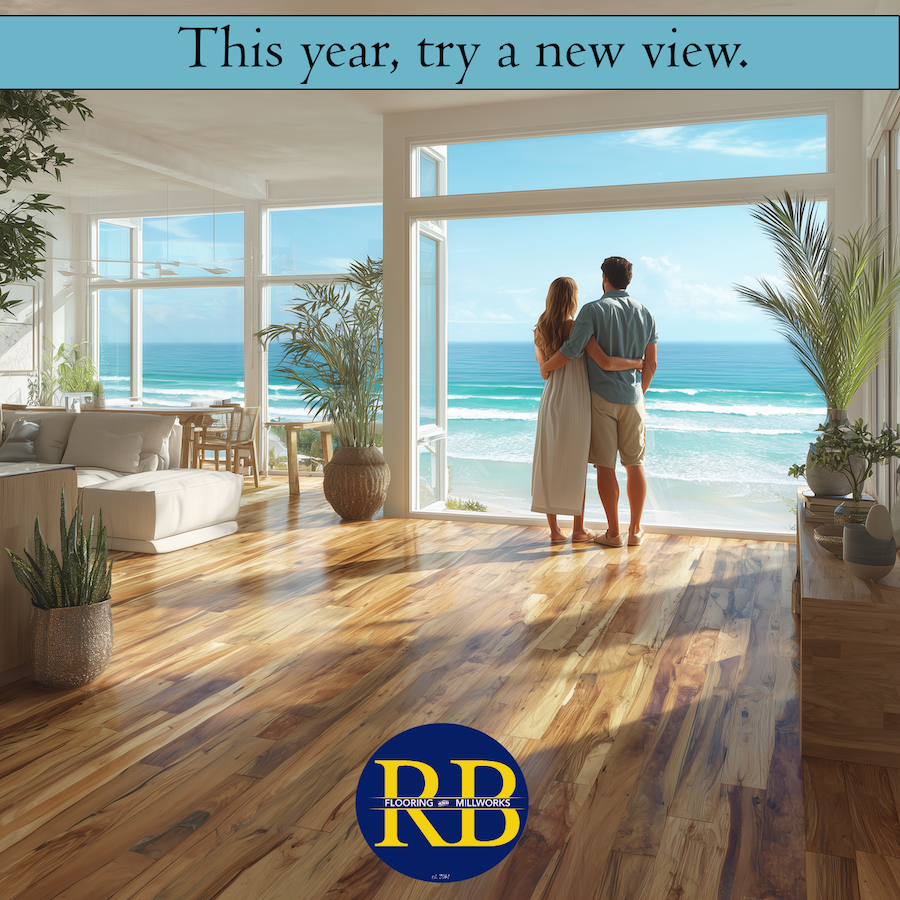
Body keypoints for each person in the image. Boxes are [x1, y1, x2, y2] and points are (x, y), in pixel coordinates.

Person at [541, 257, 658, 547]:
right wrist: (638, 392)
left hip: (600, 400)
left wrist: (547, 367)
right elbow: (651, 364)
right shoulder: (646, 313)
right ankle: (635, 531)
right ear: (628, 279)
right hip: (633, 399)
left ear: (604, 276)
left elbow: (572, 349)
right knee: (635, 464)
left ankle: (614, 533)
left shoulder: (592, 310)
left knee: (605, 467)